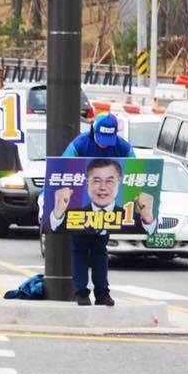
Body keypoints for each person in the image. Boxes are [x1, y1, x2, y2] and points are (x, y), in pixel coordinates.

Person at [52, 113, 137, 306]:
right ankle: (81, 292)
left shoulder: (123, 147)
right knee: (79, 248)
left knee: (100, 249)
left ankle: (102, 293)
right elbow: (64, 167)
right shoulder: (80, 145)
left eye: (109, 139)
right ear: (93, 131)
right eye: (101, 138)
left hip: (107, 210)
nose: (105, 144)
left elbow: (134, 169)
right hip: (80, 205)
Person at [49, 158, 157, 235]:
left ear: (119, 183)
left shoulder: (131, 218)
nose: (103, 187)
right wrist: (57, 214)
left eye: (109, 181)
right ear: (87, 184)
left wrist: (148, 220)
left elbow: (149, 236)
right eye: (96, 181)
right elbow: (50, 230)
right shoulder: (71, 216)